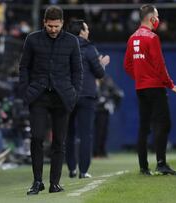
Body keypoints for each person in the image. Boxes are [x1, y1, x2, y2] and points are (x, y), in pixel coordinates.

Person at [19, 5, 82, 195]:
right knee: (37, 137)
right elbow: (24, 67)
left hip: (62, 97)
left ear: (62, 23)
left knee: (59, 142)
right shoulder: (32, 39)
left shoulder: (72, 41)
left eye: (56, 26)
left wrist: (74, 93)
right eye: (50, 26)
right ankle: (37, 181)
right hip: (38, 95)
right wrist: (25, 90)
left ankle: (55, 183)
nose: (53, 29)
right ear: (44, 23)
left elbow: (77, 70)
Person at [123, 4, 176, 176]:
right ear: (151, 18)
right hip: (156, 87)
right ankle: (161, 163)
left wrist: (141, 77)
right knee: (163, 124)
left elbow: (127, 65)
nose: (158, 19)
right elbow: (159, 65)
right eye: (157, 16)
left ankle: (143, 167)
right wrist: (170, 84)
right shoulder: (152, 38)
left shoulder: (132, 38)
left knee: (144, 126)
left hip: (141, 88)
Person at [65, 19, 109, 179]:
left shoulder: (64, 47)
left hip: (68, 95)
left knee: (68, 133)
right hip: (87, 95)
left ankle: (71, 168)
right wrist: (102, 63)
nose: (88, 31)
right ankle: (83, 171)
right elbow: (99, 73)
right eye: (86, 29)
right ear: (81, 32)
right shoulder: (90, 48)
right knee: (85, 134)